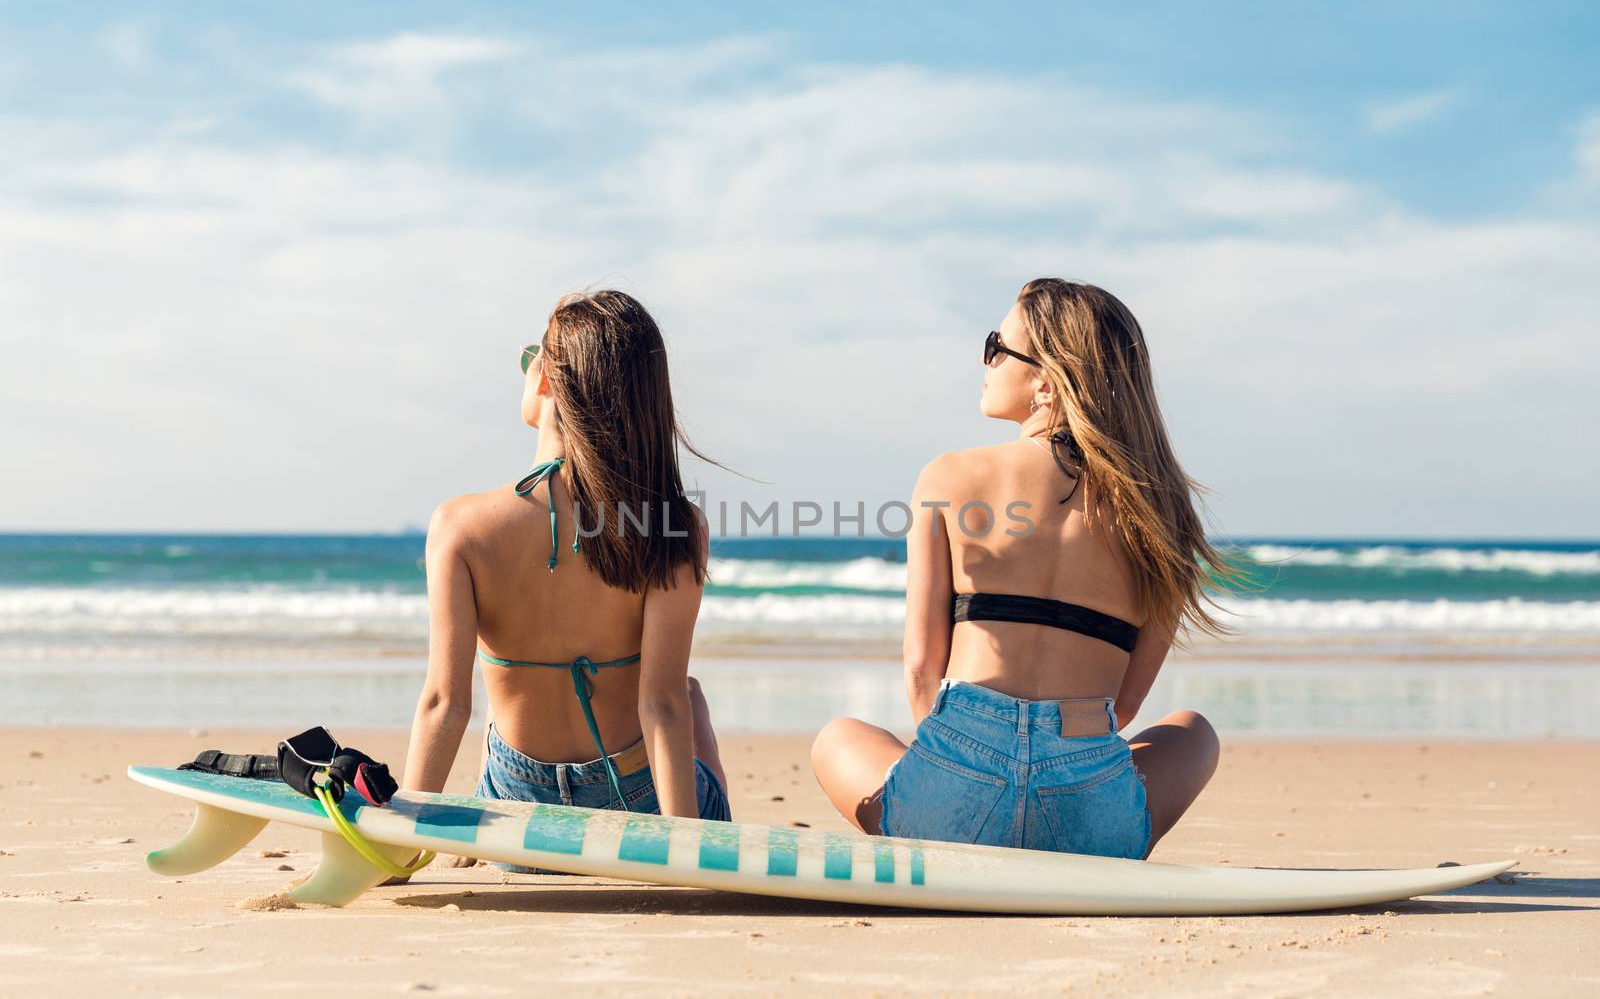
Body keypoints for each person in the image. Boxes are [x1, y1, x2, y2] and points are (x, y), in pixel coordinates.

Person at [811, 278, 1230, 858]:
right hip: (1088, 816)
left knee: (838, 738)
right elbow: (1127, 706)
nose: (985, 361)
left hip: (949, 800)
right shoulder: (1162, 511)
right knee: (1195, 734)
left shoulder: (950, 476)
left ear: (1045, 380)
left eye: (996, 346)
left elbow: (920, 671)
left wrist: (966, 768)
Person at [400, 290, 731, 825]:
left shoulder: (460, 526)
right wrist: (681, 845)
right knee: (687, 695)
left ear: (549, 380)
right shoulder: (674, 524)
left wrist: (403, 840)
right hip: (638, 805)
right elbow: (662, 705)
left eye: (534, 356)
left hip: (516, 807)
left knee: (495, 706)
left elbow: (446, 702)